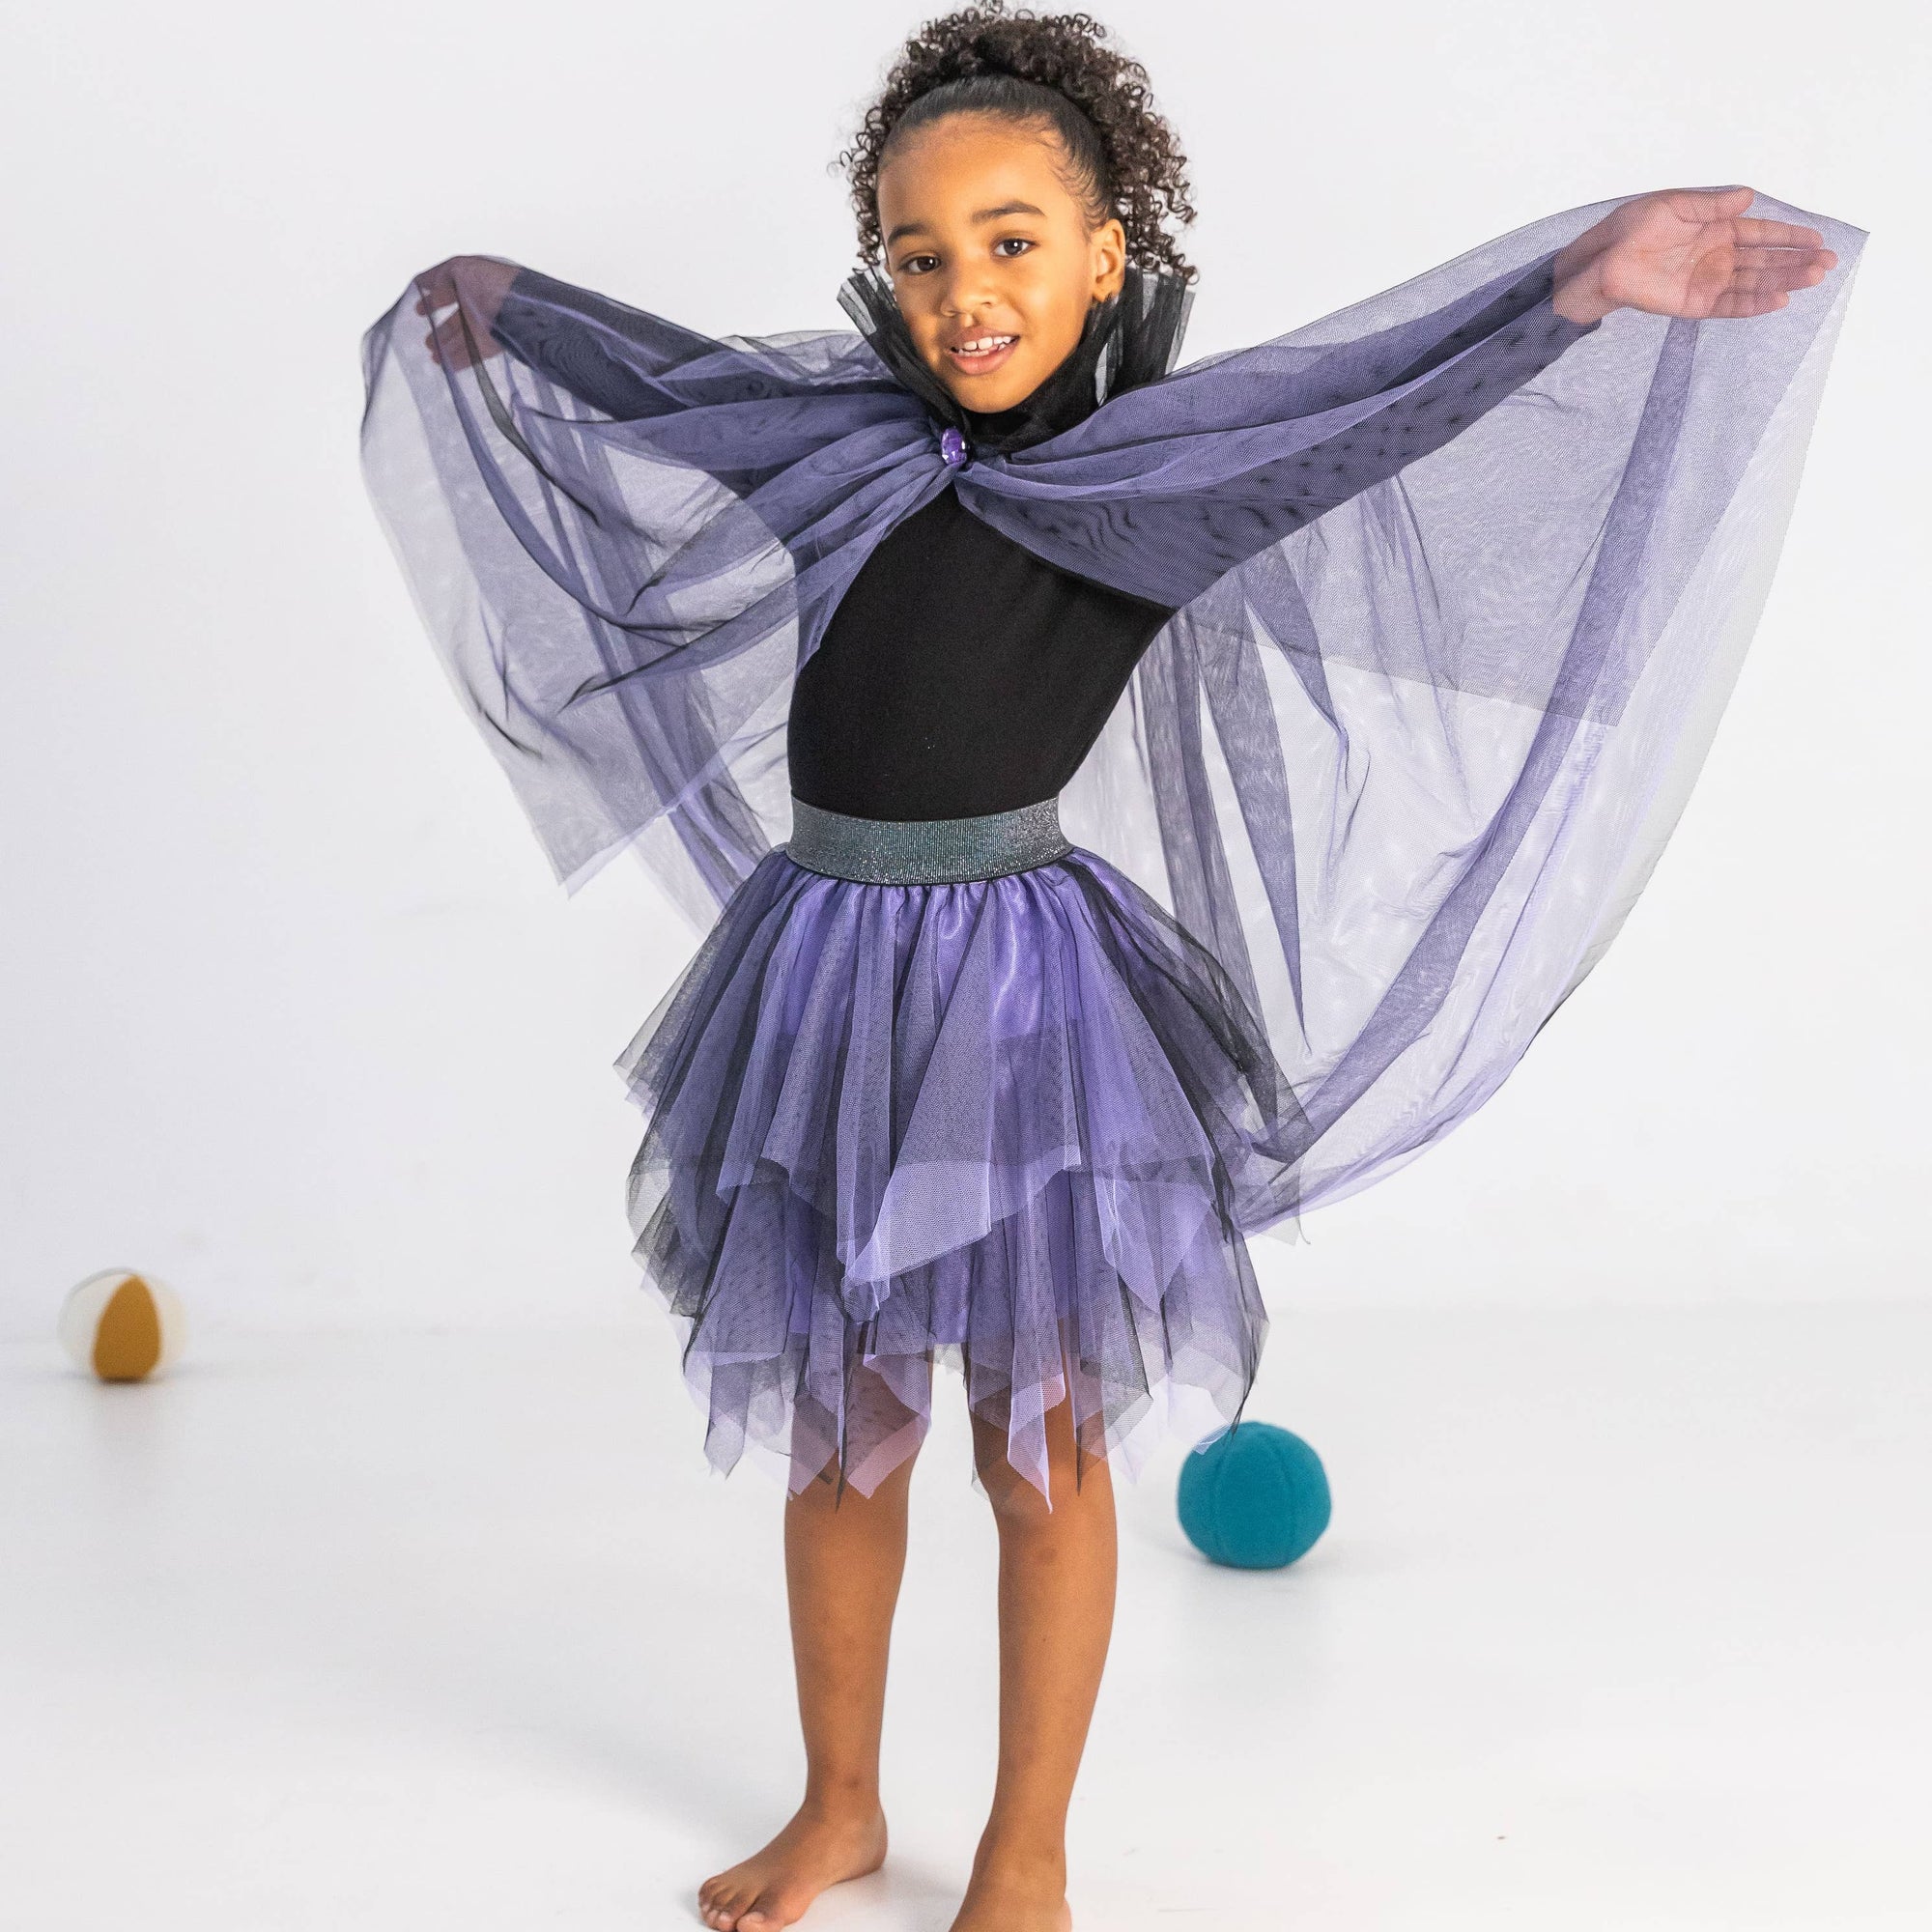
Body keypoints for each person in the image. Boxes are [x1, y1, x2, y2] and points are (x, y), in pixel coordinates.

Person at [358, 9, 1858, 1927]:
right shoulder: (841, 448)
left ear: (1100, 260)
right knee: (844, 1430)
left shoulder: (1154, 482)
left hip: (1014, 999)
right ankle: (838, 1806)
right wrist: (511, 306)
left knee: (1040, 1442)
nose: (965, 292)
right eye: (921, 255)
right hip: (823, 976)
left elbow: (1357, 404)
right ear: (878, 274)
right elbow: (674, 388)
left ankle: (1029, 1847)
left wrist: (1569, 291)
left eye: (1008, 242)